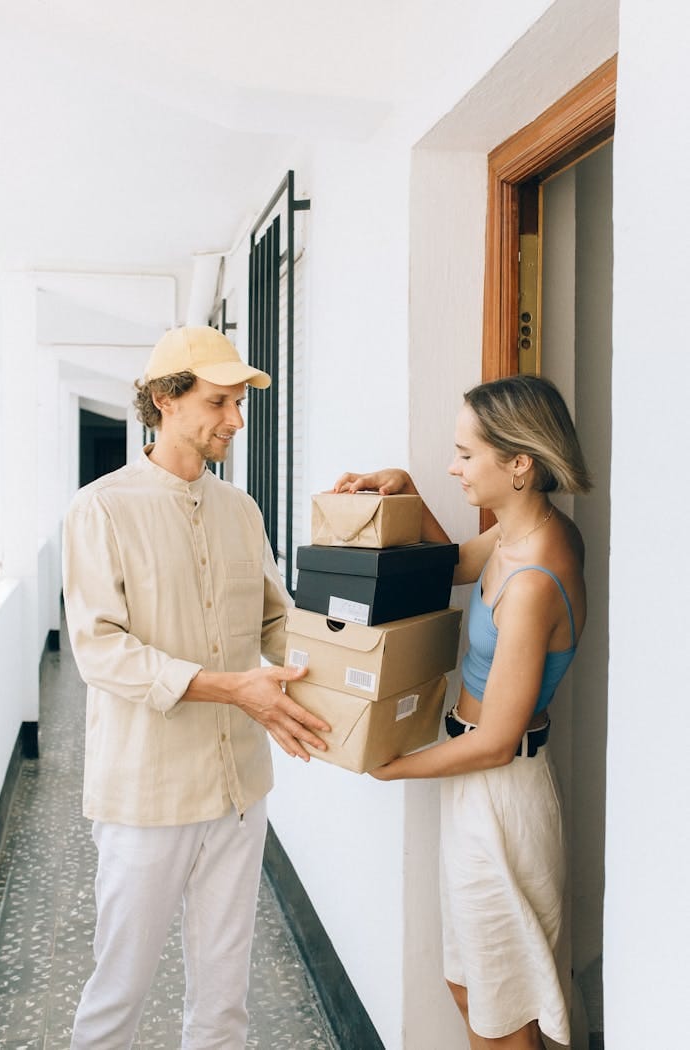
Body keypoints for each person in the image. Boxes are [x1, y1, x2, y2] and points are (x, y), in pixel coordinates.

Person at [62, 325, 330, 1050]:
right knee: (119, 991)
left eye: (238, 403)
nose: (235, 422)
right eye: (219, 403)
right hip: (146, 794)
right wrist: (234, 689)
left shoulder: (241, 511)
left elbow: (276, 621)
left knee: (224, 998)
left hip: (240, 788)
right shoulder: (101, 510)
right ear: (163, 401)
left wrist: (347, 677)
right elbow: (100, 651)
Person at [334, 374, 592, 1050]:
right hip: (480, 788)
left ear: (519, 463)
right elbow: (449, 566)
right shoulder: (518, 533)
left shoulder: (536, 575)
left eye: (465, 454)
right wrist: (404, 489)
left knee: (500, 1010)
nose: (454, 467)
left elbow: (497, 741)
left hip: (500, 792)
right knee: (478, 988)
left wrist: (392, 768)